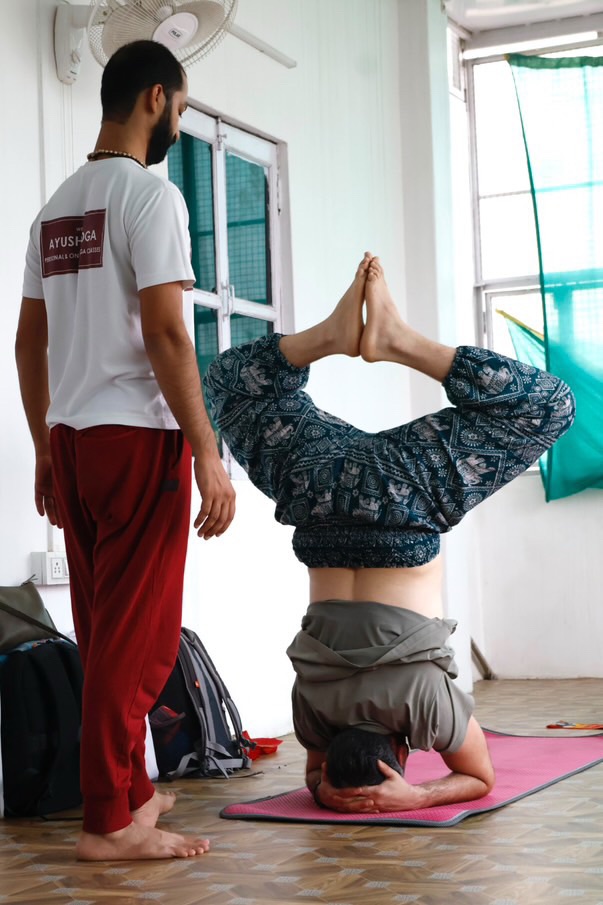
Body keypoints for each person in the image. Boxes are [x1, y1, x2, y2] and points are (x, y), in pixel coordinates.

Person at [203, 253, 575, 813]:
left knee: (548, 406)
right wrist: (326, 790)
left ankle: (401, 342)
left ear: (404, 751)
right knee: (229, 385)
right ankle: (328, 339)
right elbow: (314, 775)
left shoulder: (426, 708)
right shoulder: (313, 711)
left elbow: (479, 778)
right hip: (319, 495)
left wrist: (414, 796)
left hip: (405, 500)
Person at [15, 40, 235, 859]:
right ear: (154, 98)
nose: (180, 119)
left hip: (73, 439)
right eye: (182, 105)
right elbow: (168, 332)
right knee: (138, 639)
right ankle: (107, 819)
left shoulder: (55, 209)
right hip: (137, 438)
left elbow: (27, 342)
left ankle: (132, 794)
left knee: (104, 625)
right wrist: (206, 450)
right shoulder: (150, 196)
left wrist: (44, 446)